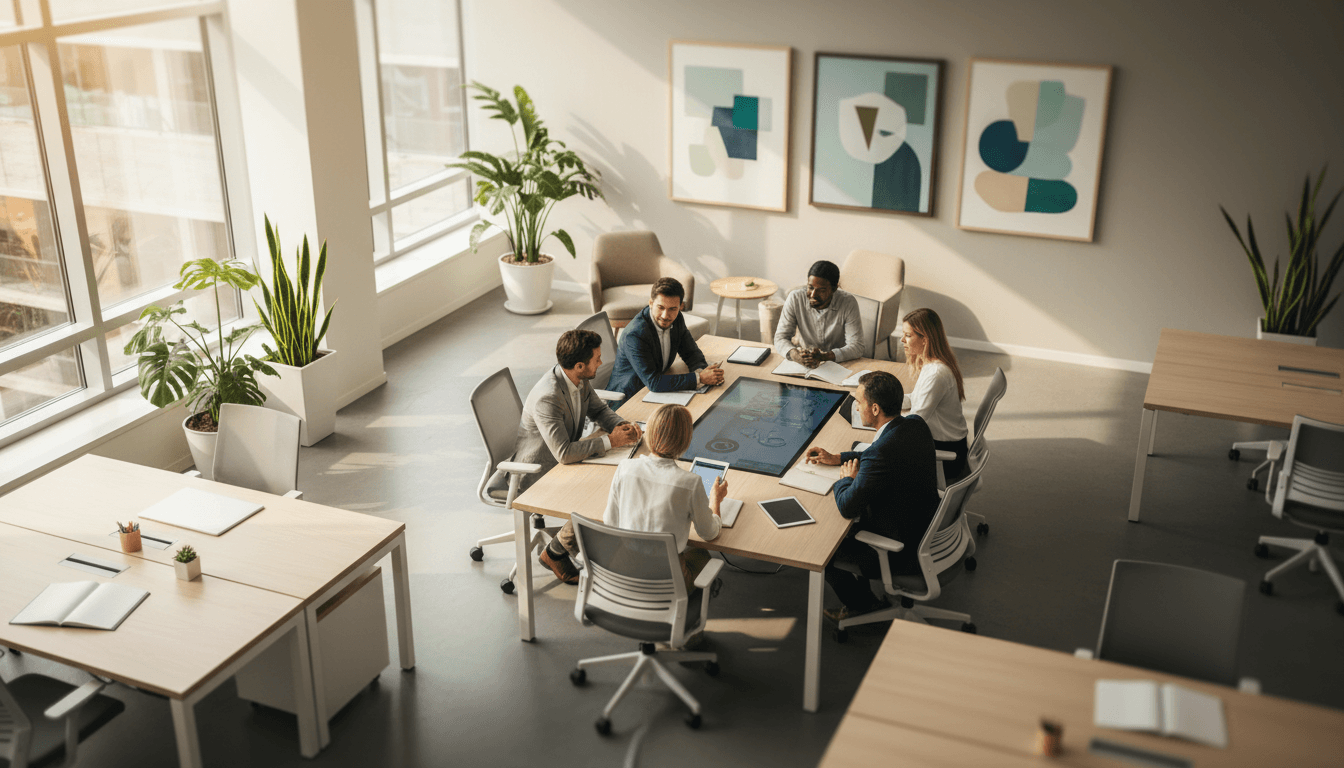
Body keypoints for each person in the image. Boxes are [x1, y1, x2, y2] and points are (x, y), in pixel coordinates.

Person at [494, 330, 641, 583]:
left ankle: (581, 544)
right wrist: (610, 441)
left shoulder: (576, 378)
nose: (601, 362)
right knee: (606, 488)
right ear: (579, 365)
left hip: (566, 459)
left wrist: (622, 425)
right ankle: (557, 551)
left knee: (620, 475)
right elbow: (563, 454)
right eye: (597, 358)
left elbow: (599, 410)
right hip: (538, 472)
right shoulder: (548, 397)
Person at [804, 371, 939, 620]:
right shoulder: (915, 425)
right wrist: (838, 458)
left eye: (858, 402)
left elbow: (847, 506)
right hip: (926, 530)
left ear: (875, 409)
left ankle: (862, 605)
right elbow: (877, 454)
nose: (855, 407)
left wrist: (845, 479)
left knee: (821, 549)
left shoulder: (881, 454)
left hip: (899, 550)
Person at [603, 404, 725, 591]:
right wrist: (715, 501)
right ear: (686, 440)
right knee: (701, 555)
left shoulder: (625, 468)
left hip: (624, 572)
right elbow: (709, 534)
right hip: (666, 583)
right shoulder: (690, 483)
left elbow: (610, 522)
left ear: (649, 432)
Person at [607, 277, 724, 409]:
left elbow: (691, 353)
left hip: (654, 393)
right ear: (651, 303)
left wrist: (703, 371)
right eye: (660, 307)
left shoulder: (677, 318)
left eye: (672, 309)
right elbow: (653, 382)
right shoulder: (635, 335)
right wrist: (699, 378)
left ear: (681, 307)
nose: (665, 315)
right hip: (628, 400)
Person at [900, 308, 969, 481]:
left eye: (908, 335)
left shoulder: (936, 374)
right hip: (950, 443)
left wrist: (883, 422)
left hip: (947, 454)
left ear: (925, 339)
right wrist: (885, 401)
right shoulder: (931, 364)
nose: (902, 340)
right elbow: (915, 400)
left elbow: (915, 423)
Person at [773, 259, 865, 367]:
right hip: (804, 362)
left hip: (838, 364)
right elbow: (780, 338)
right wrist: (795, 355)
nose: (813, 295)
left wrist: (824, 356)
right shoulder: (795, 298)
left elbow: (857, 346)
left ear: (834, 288)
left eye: (821, 290)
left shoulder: (848, 302)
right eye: (810, 287)